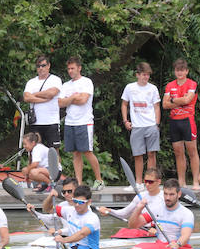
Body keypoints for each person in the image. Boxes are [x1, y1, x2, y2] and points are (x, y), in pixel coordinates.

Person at [58, 56, 104, 190]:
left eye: (73, 68)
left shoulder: (86, 82)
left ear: (79, 68)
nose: (70, 71)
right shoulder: (66, 85)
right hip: (70, 122)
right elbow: (60, 103)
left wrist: (69, 99)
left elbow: (84, 100)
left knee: (87, 152)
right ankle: (78, 182)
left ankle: (99, 180)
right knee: (75, 153)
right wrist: (73, 97)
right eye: (68, 69)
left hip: (84, 122)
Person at [120, 62, 161, 191]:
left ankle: (150, 181)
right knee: (138, 154)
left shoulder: (153, 88)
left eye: (148, 75)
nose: (146, 77)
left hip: (150, 125)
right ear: (137, 75)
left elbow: (157, 107)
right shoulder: (130, 87)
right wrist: (125, 120)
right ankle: (138, 183)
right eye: (143, 75)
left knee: (151, 154)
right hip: (136, 126)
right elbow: (124, 104)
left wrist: (156, 124)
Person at [163, 58, 200, 190]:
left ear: (186, 71)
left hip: (188, 120)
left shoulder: (192, 84)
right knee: (178, 152)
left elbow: (188, 99)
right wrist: (180, 100)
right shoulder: (170, 85)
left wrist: (173, 100)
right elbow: (164, 104)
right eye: (177, 70)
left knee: (192, 151)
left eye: (182, 70)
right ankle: (182, 182)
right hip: (174, 120)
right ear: (175, 71)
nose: (179, 73)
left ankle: (196, 182)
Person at [128, 181, 194, 249]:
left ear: (179, 194)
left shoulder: (186, 213)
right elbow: (133, 225)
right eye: (165, 194)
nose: (167, 198)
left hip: (179, 247)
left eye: (171, 194)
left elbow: (186, 235)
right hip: (160, 245)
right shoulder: (156, 209)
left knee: (140, 247)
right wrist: (138, 209)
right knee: (138, 247)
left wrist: (178, 244)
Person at [95, 168, 165, 226]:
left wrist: (156, 229)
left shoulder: (165, 197)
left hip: (158, 231)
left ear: (159, 182)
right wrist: (109, 210)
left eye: (150, 182)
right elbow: (124, 213)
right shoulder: (140, 196)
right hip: (142, 229)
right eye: (146, 181)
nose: (147, 184)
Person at [23, 55, 63, 149]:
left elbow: (51, 93)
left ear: (48, 66)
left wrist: (34, 94)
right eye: (38, 66)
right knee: (33, 151)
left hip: (51, 122)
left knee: (53, 151)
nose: (41, 68)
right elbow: (26, 97)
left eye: (43, 65)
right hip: (35, 122)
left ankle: (55, 165)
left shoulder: (55, 80)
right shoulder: (31, 82)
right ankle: (34, 164)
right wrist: (43, 99)